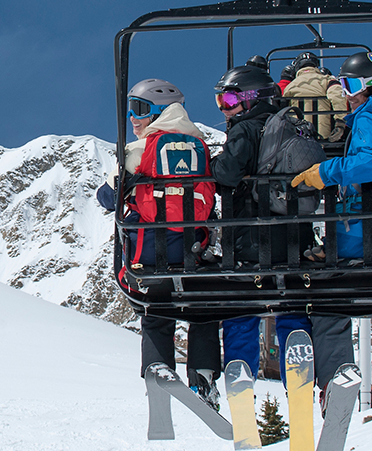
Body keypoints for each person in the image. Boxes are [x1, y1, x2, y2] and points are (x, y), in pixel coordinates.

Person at [290, 51, 372, 414]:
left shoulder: (371, 115)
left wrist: (326, 171)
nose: (347, 94)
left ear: (367, 85)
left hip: (364, 235)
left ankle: (337, 378)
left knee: (327, 300)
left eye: (349, 85)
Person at [96, 78, 222, 410]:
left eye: (139, 109)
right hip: (194, 253)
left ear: (157, 112)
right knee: (203, 309)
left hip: (149, 254)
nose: (134, 118)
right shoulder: (201, 146)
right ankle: (204, 375)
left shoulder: (140, 150)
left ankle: (158, 368)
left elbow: (109, 197)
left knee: (154, 309)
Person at [208, 63, 315, 383]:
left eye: (227, 101)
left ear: (251, 98)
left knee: (241, 308)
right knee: (291, 304)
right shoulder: (293, 125)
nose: (224, 110)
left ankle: (240, 370)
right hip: (294, 239)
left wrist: (213, 165)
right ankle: (298, 368)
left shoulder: (245, 128)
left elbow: (227, 172)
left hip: (250, 240)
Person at [283, 52, 349, 142]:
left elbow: (282, 108)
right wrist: (340, 123)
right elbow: (337, 96)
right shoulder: (327, 80)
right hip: (324, 139)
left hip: (297, 140)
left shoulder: (290, 86)